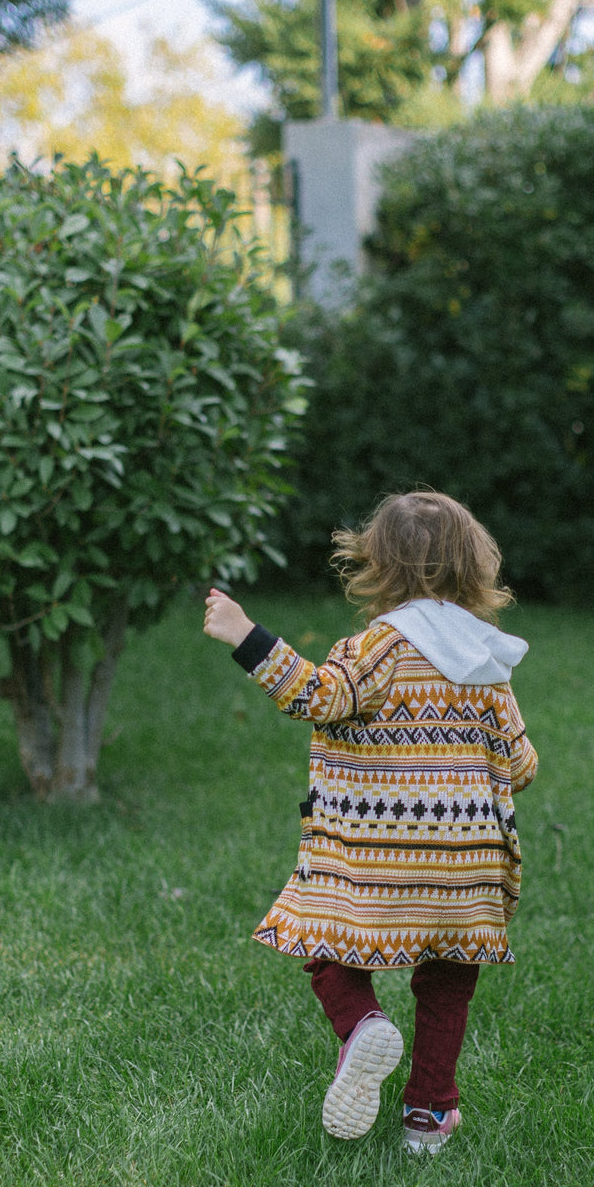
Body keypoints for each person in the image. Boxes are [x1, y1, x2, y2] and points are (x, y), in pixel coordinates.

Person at [203, 491, 538, 1153]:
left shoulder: (379, 646)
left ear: (375, 563)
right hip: (465, 863)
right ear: (475, 565)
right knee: (447, 981)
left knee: (323, 942)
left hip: (377, 850)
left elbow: (318, 696)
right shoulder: (488, 661)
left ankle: (361, 1027)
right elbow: (521, 764)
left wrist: (246, 635)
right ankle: (428, 1117)